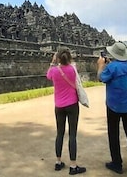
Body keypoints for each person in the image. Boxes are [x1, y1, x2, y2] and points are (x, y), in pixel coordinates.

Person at [97, 42, 127, 174]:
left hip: (113, 105)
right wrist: (113, 64)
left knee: (114, 134)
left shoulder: (111, 67)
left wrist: (101, 66)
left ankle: (117, 163)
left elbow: (101, 78)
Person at [46, 47, 86, 175]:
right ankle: (73, 166)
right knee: (72, 135)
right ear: (69, 57)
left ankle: (58, 163)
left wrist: (53, 62)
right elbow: (75, 75)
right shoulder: (72, 69)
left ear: (57, 57)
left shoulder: (53, 71)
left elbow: (48, 76)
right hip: (72, 105)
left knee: (60, 133)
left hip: (59, 106)